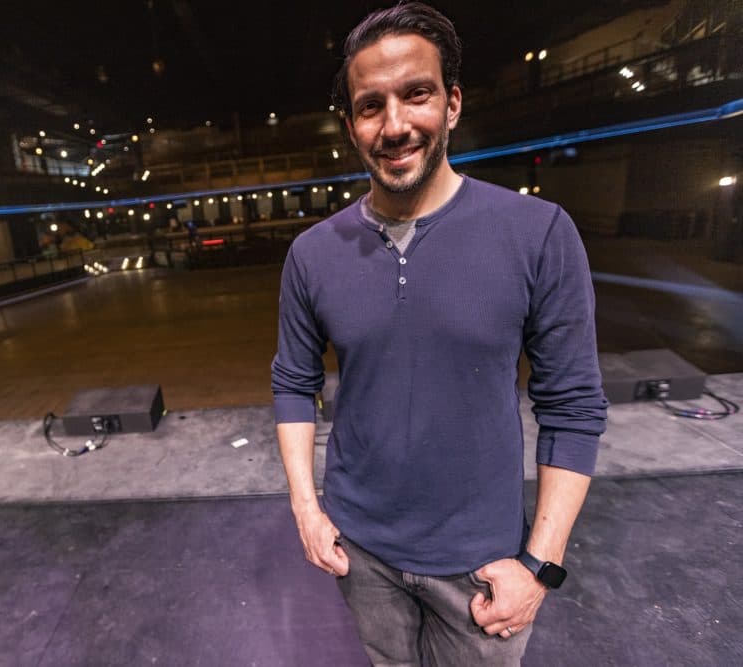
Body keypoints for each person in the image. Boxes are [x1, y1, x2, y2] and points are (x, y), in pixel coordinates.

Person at [270, 3, 608, 665]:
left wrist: (539, 564)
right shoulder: (313, 254)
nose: (395, 125)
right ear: (351, 126)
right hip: (362, 553)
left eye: (416, 94)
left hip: (483, 562)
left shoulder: (537, 233)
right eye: (371, 105)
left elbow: (573, 407)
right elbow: (292, 383)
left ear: (452, 103)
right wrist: (307, 510)